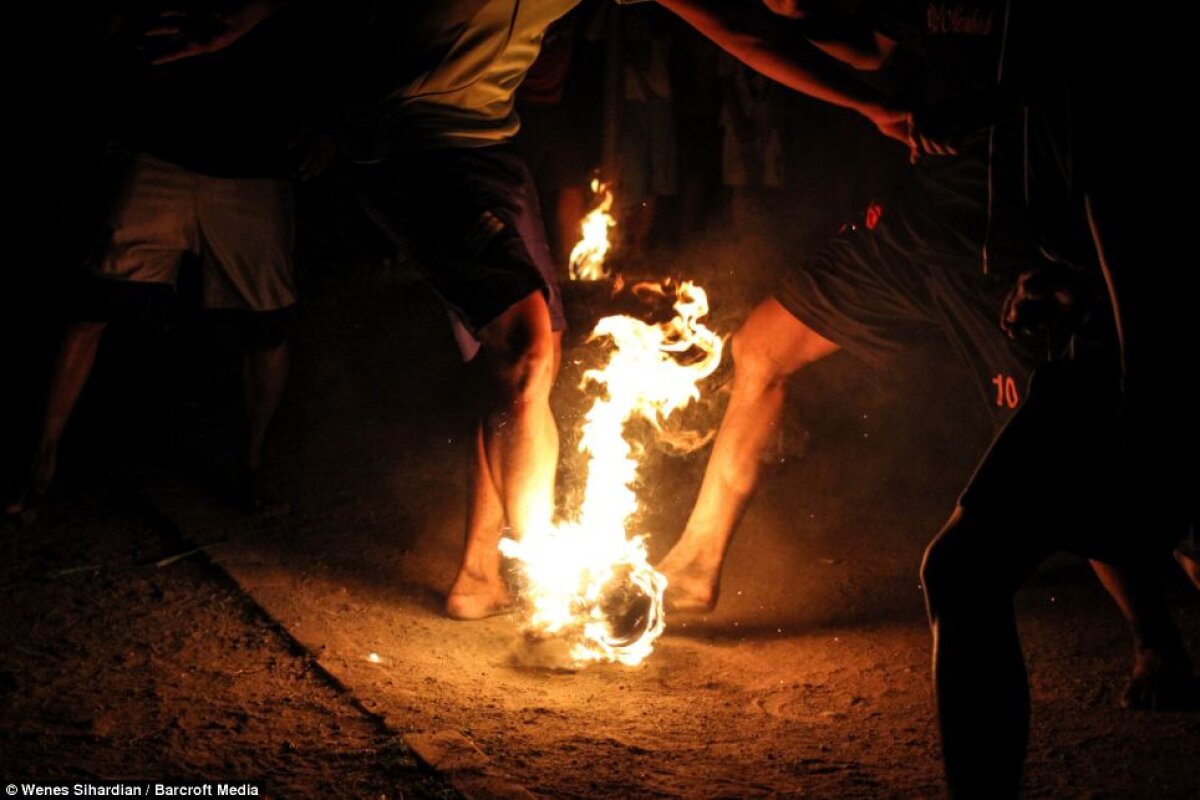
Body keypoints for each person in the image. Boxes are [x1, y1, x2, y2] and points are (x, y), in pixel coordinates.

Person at [651, 0, 1195, 714]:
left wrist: (978, 111)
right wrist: (805, 17)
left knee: (1072, 454)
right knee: (762, 346)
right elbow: (880, 49)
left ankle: (1156, 638)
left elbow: (1067, 83)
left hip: (1008, 255)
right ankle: (694, 566)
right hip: (918, 234)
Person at [916, 3, 1198, 793]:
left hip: (1145, 354)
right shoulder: (1040, 60)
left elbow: (1131, 201)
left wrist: (1144, 393)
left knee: (965, 572)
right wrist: (1073, 282)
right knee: (963, 573)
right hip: (1117, 339)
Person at [6, 0, 324, 521]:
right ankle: (40, 463)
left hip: (256, 157)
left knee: (266, 326)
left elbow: (334, 27)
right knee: (91, 304)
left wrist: (332, 120)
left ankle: (253, 467)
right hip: (158, 145)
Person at [344, 1, 580, 620]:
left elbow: (739, 25)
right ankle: (551, 593)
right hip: (422, 150)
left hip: (494, 152)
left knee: (527, 359)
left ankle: (479, 577)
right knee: (526, 352)